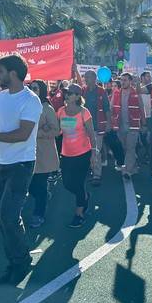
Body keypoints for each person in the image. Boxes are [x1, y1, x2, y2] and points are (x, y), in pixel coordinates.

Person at [0, 54, 43, 284]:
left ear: (13, 73)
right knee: (3, 218)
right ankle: (15, 260)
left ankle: (21, 262)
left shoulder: (31, 100)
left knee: (8, 216)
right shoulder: (2, 97)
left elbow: (23, 134)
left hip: (20, 165)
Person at [57, 84, 98, 227]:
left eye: (71, 93)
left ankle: (79, 213)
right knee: (67, 183)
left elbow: (92, 135)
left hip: (83, 154)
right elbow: (58, 131)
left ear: (78, 96)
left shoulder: (84, 112)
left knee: (79, 184)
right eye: (66, 92)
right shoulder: (61, 111)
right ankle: (85, 197)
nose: (67, 95)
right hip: (66, 153)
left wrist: (94, 153)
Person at [27, 80, 59, 228]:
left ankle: (38, 214)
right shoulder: (27, 105)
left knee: (39, 185)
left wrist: (37, 132)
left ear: (42, 90)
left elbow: (55, 130)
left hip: (44, 153)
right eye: (31, 88)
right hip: (27, 152)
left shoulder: (47, 108)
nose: (32, 90)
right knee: (30, 185)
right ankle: (44, 196)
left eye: (35, 88)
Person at [111, 72, 145, 179]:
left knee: (130, 148)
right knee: (126, 148)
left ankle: (127, 171)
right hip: (119, 126)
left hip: (133, 126)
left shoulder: (136, 93)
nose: (122, 82)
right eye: (121, 80)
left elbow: (141, 108)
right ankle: (133, 167)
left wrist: (144, 124)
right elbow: (112, 108)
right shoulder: (116, 93)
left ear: (130, 81)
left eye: (125, 80)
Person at [81, 70, 112, 186]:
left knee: (96, 151)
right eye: (85, 77)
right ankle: (90, 169)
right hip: (85, 127)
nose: (85, 79)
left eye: (87, 77)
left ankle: (96, 174)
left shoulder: (101, 91)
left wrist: (109, 123)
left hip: (98, 126)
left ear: (94, 78)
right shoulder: (83, 91)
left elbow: (106, 108)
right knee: (86, 151)